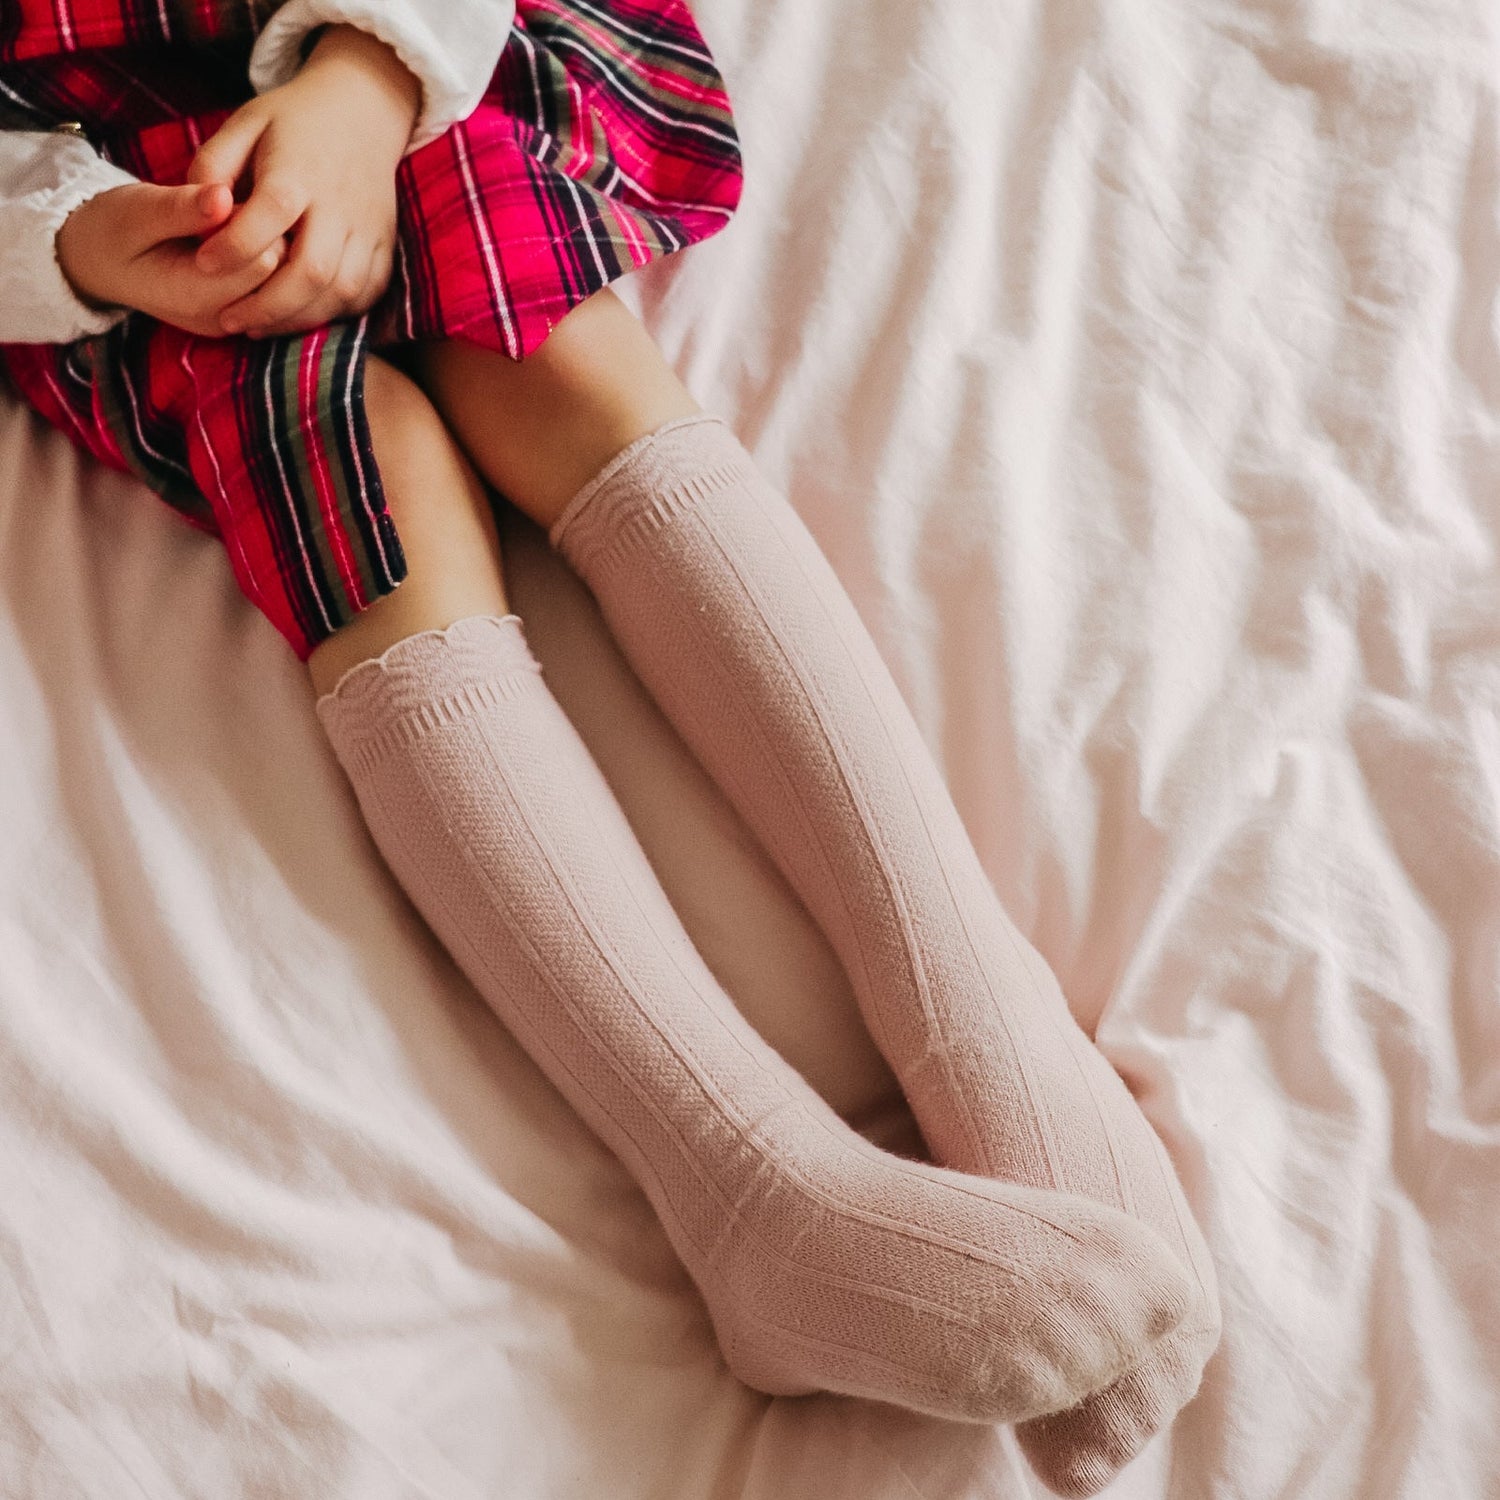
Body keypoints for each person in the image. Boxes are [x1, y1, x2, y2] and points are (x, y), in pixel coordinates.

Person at [0, 3, 1220, 1493]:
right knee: (350, 470)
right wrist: (73, 238)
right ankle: (744, 1185)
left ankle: (977, 1007)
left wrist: (368, 80)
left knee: (542, 332)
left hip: (393, 55)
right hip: (126, 207)